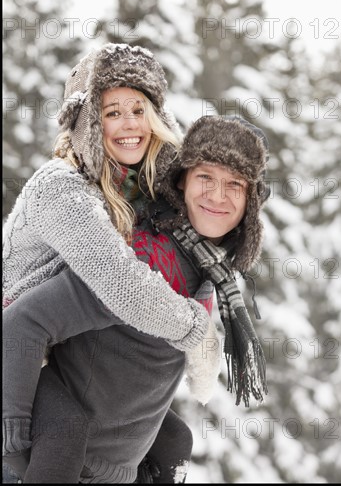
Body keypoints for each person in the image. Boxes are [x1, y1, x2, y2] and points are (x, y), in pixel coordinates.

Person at [4, 112, 270, 483]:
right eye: (205, 176)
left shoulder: (207, 264)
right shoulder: (141, 259)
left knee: (176, 441)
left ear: (252, 203)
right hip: (56, 459)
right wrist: (12, 444)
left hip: (114, 462)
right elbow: (23, 321)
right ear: (181, 182)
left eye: (235, 184)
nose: (217, 195)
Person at [2, 43, 218, 482]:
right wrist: (197, 330)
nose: (129, 124)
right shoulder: (62, 188)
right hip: (15, 353)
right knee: (64, 435)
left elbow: (195, 239)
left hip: (55, 349)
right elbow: (123, 286)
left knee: (172, 440)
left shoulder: (139, 188)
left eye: (138, 109)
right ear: (86, 121)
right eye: (111, 111)